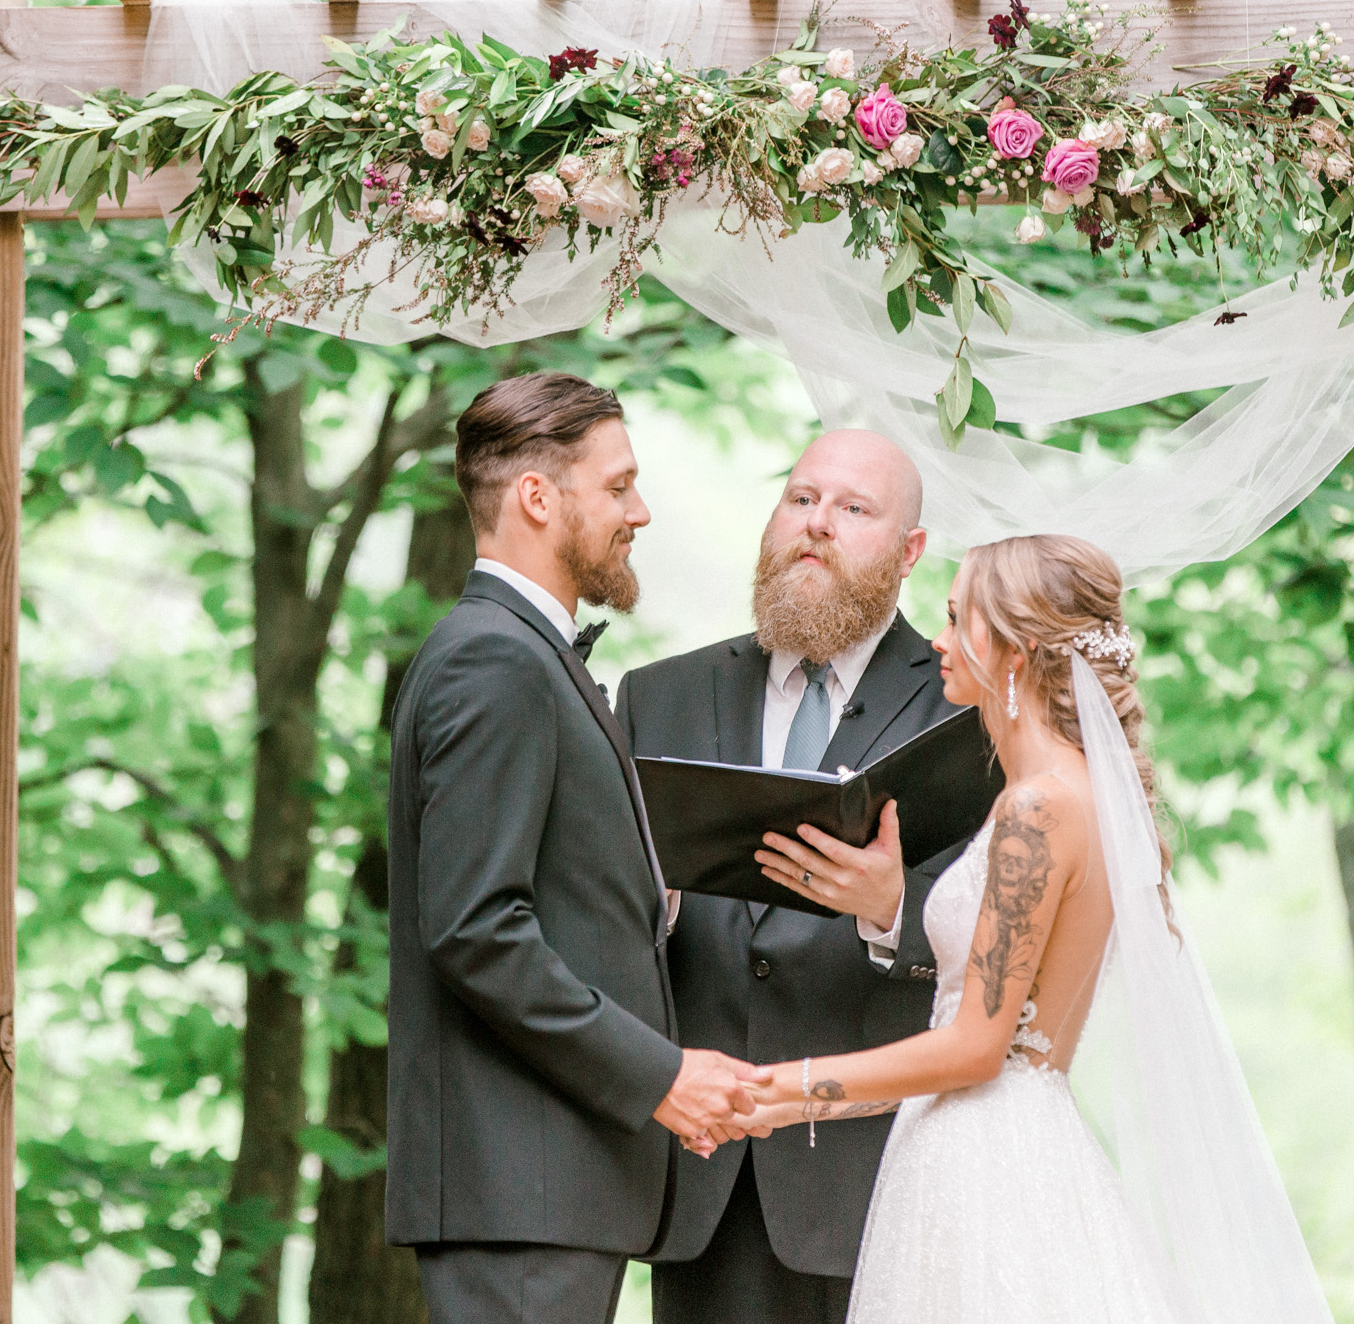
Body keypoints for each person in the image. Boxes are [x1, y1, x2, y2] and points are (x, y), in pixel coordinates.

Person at [383, 372, 769, 1324]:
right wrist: (662, 1073)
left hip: (548, 1194)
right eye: (618, 485)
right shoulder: (495, 659)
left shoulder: (524, 653)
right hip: (521, 1194)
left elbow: (541, 891)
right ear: (538, 496)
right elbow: (477, 930)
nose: (640, 511)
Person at [741, 534, 1174, 1324]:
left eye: (955, 618)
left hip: (985, 1165)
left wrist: (791, 1088)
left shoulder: (1037, 808)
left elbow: (976, 1047)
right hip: (1022, 1140)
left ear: (1016, 647)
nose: (938, 641)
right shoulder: (1082, 795)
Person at [613, 429, 979, 1324]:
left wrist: (891, 906)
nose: (818, 524)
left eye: (854, 509)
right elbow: (599, 919)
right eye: (802, 498)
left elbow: (1012, 926)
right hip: (706, 1167)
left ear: (910, 552)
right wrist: (647, 906)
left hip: (885, 1166)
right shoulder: (656, 694)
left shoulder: (962, 700)